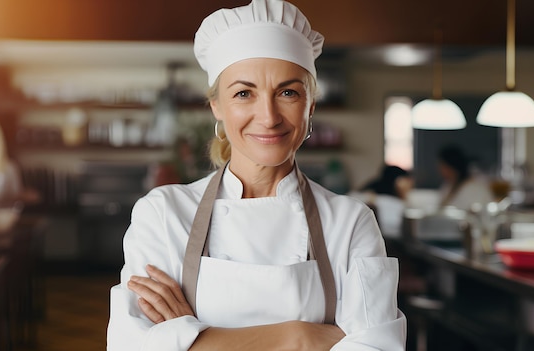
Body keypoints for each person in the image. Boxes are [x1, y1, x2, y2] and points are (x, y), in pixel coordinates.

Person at [106, 1, 406, 350]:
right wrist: (299, 337)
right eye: (244, 93)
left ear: (310, 105)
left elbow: (378, 347)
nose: (268, 116)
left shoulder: (350, 222)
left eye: (288, 92)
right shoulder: (163, 213)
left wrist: (191, 340)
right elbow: (130, 345)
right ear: (217, 105)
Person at [349, 165, 413, 236]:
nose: (409, 187)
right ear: (397, 182)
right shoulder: (395, 205)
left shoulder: (366, 194)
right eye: (407, 181)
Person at [436, 144, 494, 211]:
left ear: (450, 167)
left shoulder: (474, 188)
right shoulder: (447, 186)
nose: (439, 169)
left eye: (442, 166)